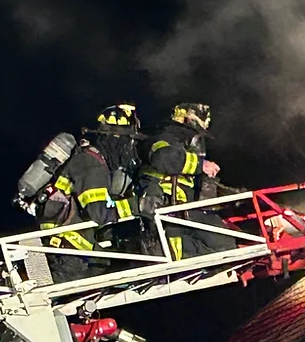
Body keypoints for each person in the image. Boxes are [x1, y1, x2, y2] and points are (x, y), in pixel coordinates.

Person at [36, 104, 143, 281]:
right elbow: (99, 213)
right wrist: (138, 205)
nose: (130, 147)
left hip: (72, 247)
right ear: (116, 138)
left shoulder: (91, 160)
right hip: (68, 251)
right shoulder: (91, 166)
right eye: (128, 141)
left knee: (117, 268)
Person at [137, 103, 236, 260]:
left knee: (223, 241)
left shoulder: (182, 147)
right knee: (222, 243)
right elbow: (163, 158)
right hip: (166, 209)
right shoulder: (163, 139)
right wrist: (201, 165)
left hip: (181, 211)